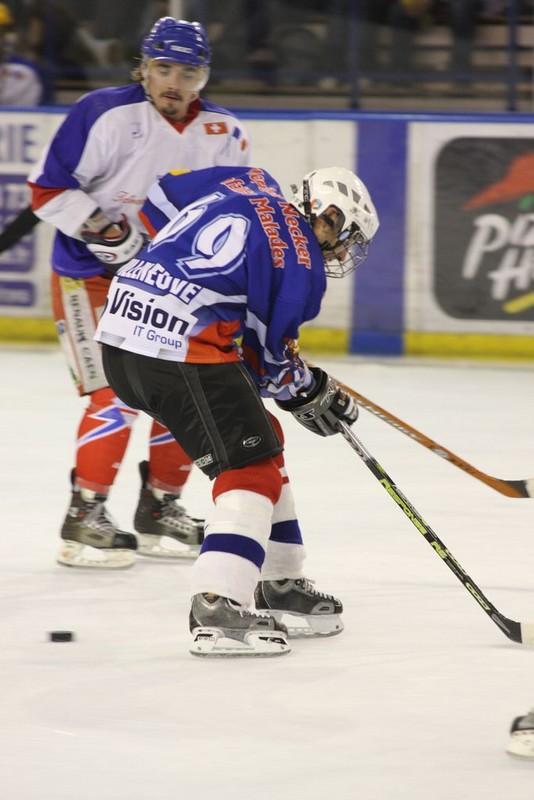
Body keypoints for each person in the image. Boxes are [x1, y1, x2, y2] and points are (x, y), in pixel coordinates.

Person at [94, 163, 379, 657]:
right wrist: (309, 390)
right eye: (344, 238)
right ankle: (219, 603)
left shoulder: (249, 180)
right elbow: (271, 365)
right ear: (329, 216)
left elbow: (160, 196)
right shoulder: (302, 261)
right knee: (249, 470)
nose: (340, 252)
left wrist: (167, 270)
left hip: (122, 332)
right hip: (179, 350)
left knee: (260, 435)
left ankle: (281, 580)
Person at [26, 17, 250, 569]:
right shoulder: (103, 114)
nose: (174, 82)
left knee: (184, 390)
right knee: (115, 395)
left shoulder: (226, 133)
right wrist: (105, 229)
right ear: (143, 69)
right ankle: (85, 516)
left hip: (166, 286)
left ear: (204, 77)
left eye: (189, 72)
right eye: (163, 68)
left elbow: (235, 213)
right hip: (87, 277)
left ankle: (159, 507)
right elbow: (47, 189)